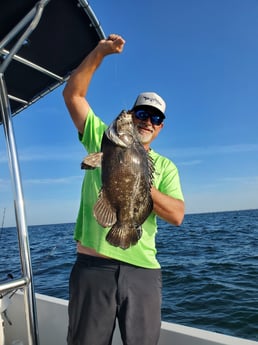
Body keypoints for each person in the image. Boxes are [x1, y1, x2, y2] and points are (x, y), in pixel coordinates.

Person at [63, 34, 184, 345]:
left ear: (161, 127)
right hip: (93, 266)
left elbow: (177, 215)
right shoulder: (103, 139)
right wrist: (100, 53)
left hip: (144, 271)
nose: (147, 121)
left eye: (155, 118)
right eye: (141, 114)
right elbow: (73, 94)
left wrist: (143, 183)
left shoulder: (166, 167)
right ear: (131, 116)